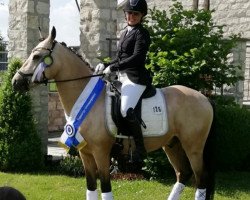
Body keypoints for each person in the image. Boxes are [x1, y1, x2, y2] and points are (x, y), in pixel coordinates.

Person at [95, 0, 152, 163]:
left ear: (141, 16)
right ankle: (118, 142)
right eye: (130, 13)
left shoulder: (142, 33)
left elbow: (136, 58)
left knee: (126, 109)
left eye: (136, 14)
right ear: (125, 14)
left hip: (135, 78)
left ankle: (140, 149)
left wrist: (115, 67)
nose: (132, 16)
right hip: (122, 77)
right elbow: (120, 57)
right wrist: (106, 64)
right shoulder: (125, 32)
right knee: (109, 103)